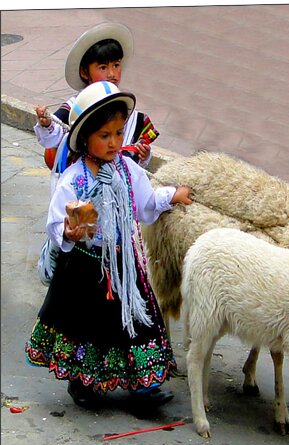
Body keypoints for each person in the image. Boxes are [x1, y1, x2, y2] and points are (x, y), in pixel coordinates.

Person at [25, 81, 193, 415]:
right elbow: (56, 222)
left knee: (136, 322)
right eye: (105, 135)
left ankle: (145, 387)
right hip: (87, 267)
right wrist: (69, 233)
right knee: (88, 326)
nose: (114, 142)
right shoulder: (73, 179)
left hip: (125, 265)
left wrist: (172, 195)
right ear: (86, 136)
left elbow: (145, 205)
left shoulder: (129, 171)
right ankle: (85, 382)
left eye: (118, 133)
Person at [34, 22, 157, 170]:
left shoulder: (130, 113)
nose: (111, 73)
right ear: (84, 72)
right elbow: (54, 138)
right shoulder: (75, 107)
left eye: (116, 65)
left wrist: (144, 155)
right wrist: (47, 124)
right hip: (85, 183)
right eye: (103, 67)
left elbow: (135, 160)